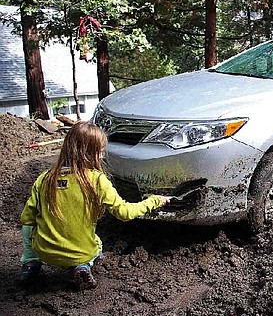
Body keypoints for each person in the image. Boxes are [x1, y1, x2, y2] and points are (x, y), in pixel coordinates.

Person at [19, 121, 171, 290]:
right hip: (81, 253)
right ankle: (83, 266)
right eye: (99, 151)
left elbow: (26, 218)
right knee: (97, 243)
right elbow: (125, 213)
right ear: (89, 153)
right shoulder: (96, 180)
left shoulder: (45, 179)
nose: (101, 156)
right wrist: (154, 201)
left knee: (29, 224)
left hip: (44, 252)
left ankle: (30, 263)